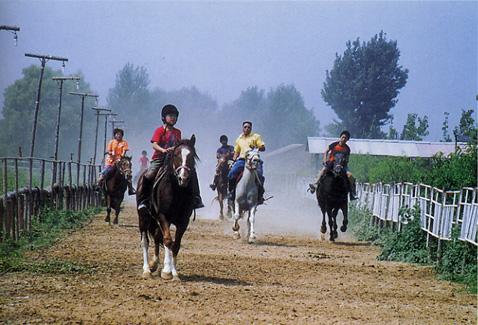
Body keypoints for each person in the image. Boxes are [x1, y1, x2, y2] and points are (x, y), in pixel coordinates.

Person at [137, 104, 204, 212]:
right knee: (148, 175)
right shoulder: (159, 130)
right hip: (159, 159)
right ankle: (143, 200)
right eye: (170, 115)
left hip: (173, 159)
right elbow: (154, 144)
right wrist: (163, 150)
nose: (173, 118)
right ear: (164, 117)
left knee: (192, 172)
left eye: (175, 116)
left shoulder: (178, 132)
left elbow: (179, 146)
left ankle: (196, 198)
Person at [309, 130, 357, 200]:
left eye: (345, 138)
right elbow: (326, 151)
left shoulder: (347, 149)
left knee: (350, 176)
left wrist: (342, 164)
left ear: (347, 140)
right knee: (324, 170)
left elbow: (347, 159)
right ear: (340, 137)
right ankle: (315, 184)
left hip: (342, 165)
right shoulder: (334, 145)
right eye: (343, 137)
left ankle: (352, 193)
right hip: (331, 163)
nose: (344, 139)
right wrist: (325, 158)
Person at [227, 121, 266, 204]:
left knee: (259, 175)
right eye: (245, 127)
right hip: (242, 160)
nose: (247, 128)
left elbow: (263, 147)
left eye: (249, 127)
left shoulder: (255, 137)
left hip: (254, 160)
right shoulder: (239, 139)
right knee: (231, 174)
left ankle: (260, 195)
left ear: (251, 128)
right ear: (242, 128)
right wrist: (232, 162)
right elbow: (236, 152)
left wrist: (259, 147)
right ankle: (232, 193)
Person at [98, 128, 136, 195]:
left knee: (127, 173)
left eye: (120, 134)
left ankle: (130, 189)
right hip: (111, 161)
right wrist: (111, 154)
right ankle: (99, 186)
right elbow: (109, 151)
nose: (119, 135)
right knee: (105, 172)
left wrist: (120, 158)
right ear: (115, 135)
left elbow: (124, 151)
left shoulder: (124, 143)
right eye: (117, 134)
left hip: (120, 161)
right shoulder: (111, 142)